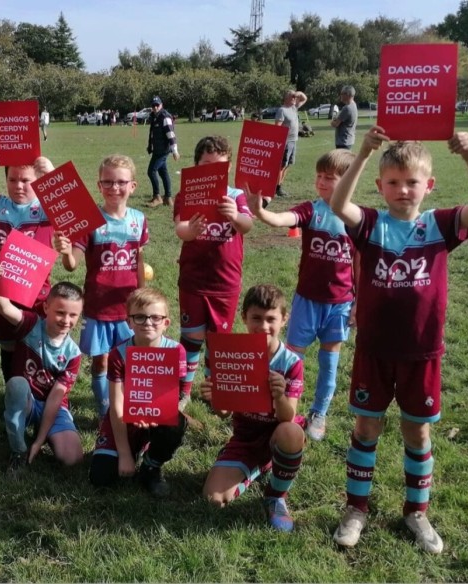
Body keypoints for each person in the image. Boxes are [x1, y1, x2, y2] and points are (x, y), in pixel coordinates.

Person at [329, 128, 468, 553]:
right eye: (393, 182)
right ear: (380, 186)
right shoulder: (371, 224)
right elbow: (338, 204)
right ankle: (356, 508)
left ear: (429, 185)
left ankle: (416, 511)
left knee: (417, 433)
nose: (403, 190)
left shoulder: (439, 225)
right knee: (366, 427)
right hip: (374, 350)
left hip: (422, 353)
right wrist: (363, 154)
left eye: (412, 182)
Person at [248, 149, 357, 441]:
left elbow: (360, 263)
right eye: (319, 176)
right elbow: (282, 219)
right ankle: (279, 405)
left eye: (329, 177)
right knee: (290, 356)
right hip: (307, 301)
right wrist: (260, 212)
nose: (321, 182)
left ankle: (319, 413)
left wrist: (358, 302)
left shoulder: (356, 218)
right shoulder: (312, 210)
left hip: (340, 305)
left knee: (329, 362)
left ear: (350, 180)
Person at [201, 285, 306, 532]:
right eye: (256, 318)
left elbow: (288, 416)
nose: (263, 326)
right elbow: (224, 414)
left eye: (271, 319)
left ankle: (276, 496)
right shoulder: (231, 354)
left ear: (284, 319)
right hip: (245, 437)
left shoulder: (291, 362)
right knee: (212, 499)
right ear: (244, 317)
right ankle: (257, 467)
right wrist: (216, 398)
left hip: (278, 433)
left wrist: (279, 395)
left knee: (291, 432)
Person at [52, 155, 148, 417]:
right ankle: (106, 411)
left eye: (121, 182)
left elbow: (139, 260)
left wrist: (142, 296)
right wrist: (65, 252)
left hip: (128, 308)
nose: (114, 187)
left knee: (130, 358)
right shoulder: (90, 219)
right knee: (101, 360)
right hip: (98, 306)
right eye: (108, 182)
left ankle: (128, 405)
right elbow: (72, 264)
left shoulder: (139, 219)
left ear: (133, 186)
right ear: (99, 185)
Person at [173, 136, 253, 410]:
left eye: (218, 165)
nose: (211, 170)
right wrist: (191, 230)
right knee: (191, 338)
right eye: (205, 164)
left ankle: (213, 391)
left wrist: (235, 215)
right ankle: (184, 391)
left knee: (218, 342)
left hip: (225, 283)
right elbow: (180, 229)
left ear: (227, 167)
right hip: (193, 281)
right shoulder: (187, 194)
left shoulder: (235, 196)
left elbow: (247, 226)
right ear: (196, 165)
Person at [89, 288, 189, 497]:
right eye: (140, 317)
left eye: (155, 317)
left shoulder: (175, 351)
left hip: (156, 418)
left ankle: (151, 466)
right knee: (101, 478)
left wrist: (153, 414)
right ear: (129, 322)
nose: (148, 323)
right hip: (123, 419)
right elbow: (116, 406)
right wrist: (124, 454)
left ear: (166, 322)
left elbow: (172, 398)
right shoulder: (118, 354)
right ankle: (132, 449)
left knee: (177, 422)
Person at [0, 151, 55, 383]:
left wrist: (53, 176)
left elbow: (78, 211)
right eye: (12, 179)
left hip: (37, 297)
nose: (19, 186)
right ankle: (11, 391)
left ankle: (39, 393)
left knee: (38, 346)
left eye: (26, 180)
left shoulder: (48, 208)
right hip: (4, 294)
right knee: (9, 348)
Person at [0, 268, 85, 476]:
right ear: (46, 307)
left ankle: (45, 431)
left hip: (52, 405)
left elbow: (55, 398)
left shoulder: (73, 354)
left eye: (73, 315)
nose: (66, 320)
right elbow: (5, 307)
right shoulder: (31, 323)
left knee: (72, 458)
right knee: (16, 384)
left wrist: (40, 440)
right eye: (60, 312)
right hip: (27, 401)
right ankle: (18, 451)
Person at [145, 96, 180, 208]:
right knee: (163, 172)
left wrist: (175, 150)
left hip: (163, 150)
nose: (155, 107)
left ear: (161, 105)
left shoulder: (165, 117)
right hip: (157, 149)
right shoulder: (154, 116)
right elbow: (153, 133)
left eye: (157, 105)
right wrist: (150, 146)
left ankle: (157, 197)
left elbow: (171, 134)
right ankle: (168, 198)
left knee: (151, 171)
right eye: (153, 105)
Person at [274, 90, 308, 200]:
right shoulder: (282, 110)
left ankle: (279, 185)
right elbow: (277, 127)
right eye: (292, 96)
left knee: (288, 164)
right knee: (282, 165)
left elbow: (304, 98)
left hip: (294, 140)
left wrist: (298, 93)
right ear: (286, 98)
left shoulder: (294, 108)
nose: (294, 98)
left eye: (295, 97)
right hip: (286, 142)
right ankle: (277, 187)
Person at [331, 85, 358, 150]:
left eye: (342, 94)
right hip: (349, 140)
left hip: (343, 142)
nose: (340, 96)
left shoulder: (347, 108)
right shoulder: (354, 105)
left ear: (347, 94)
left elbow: (335, 124)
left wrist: (332, 121)